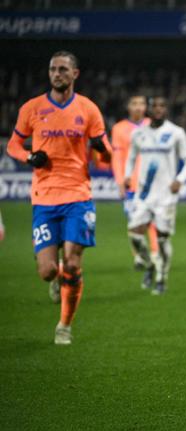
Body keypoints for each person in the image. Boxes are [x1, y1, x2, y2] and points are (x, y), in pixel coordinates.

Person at [7, 50, 112, 345]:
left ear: (75, 74)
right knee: (47, 270)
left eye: (63, 69)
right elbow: (13, 145)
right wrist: (29, 157)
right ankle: (56, 278)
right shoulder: (32, 108)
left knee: (74, 263)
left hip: (78, 195)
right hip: (44, 197)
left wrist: (101, 149)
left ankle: (64, 325)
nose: (57, 74)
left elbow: (106, 154)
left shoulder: (88, 109)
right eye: (53, 69)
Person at [124, 96, 186, 295]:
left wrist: (180, 179)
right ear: (149, 109)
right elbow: (130, 158)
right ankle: (149, 264)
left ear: (167, 110)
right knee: (135, 235)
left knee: (162, 240)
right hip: (143, 195)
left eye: (162, 106)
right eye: (154, 105)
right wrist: (127, 176)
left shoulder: (175, 133)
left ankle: (162, 277)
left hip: (166, 197)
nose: (158, 109)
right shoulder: (139, 134)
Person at [111, 94, 159, 270]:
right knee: (133, 221)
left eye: (142, 103)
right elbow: (117, 157)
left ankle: (154, 254)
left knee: (152, 221)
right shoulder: (119, 129)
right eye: (134, 103)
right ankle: (138, 256)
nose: (138, 107)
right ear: (128, 107)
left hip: (151, 183)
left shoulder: (153, 125)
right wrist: (120, 180)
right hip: (130, 183)